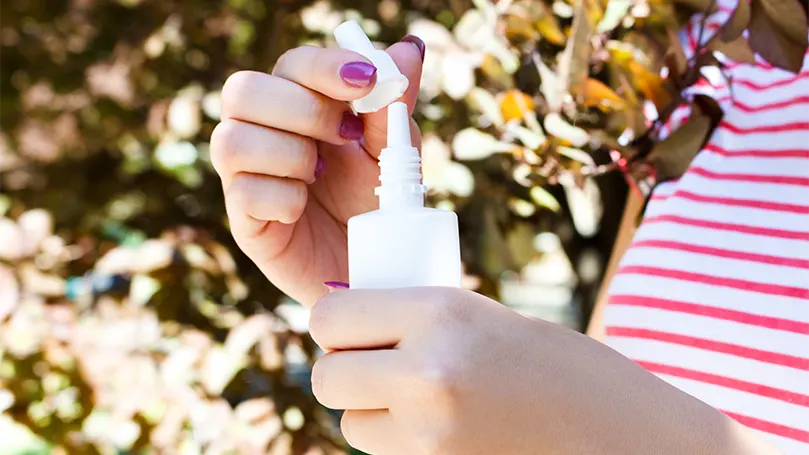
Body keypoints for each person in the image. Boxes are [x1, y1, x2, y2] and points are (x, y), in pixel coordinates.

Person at [210, 9, 809, 455]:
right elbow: (623, 376)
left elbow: (602, 415)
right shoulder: (719, 57)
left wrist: (591, 422)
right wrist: (396, 308)